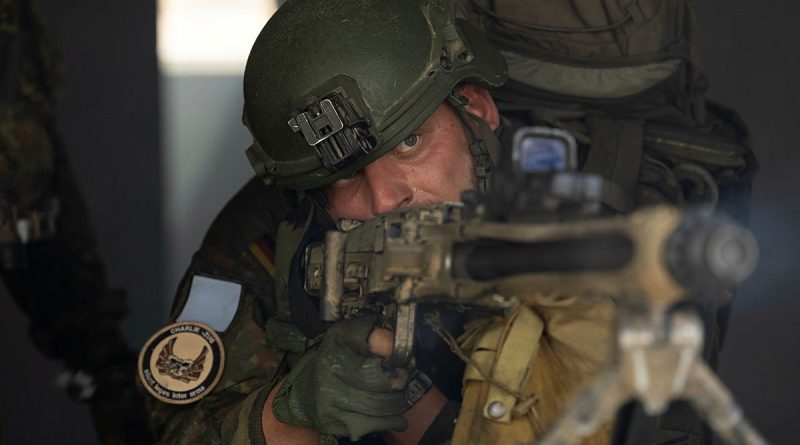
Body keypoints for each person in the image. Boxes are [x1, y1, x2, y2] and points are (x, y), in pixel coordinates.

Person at [141, 0, 754, 444]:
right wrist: (288, 414)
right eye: (346, 177)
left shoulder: (582, 208)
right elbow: (178, 426)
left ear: (477, 110)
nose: (387, 198)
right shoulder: (270, 231)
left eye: (410, 143)